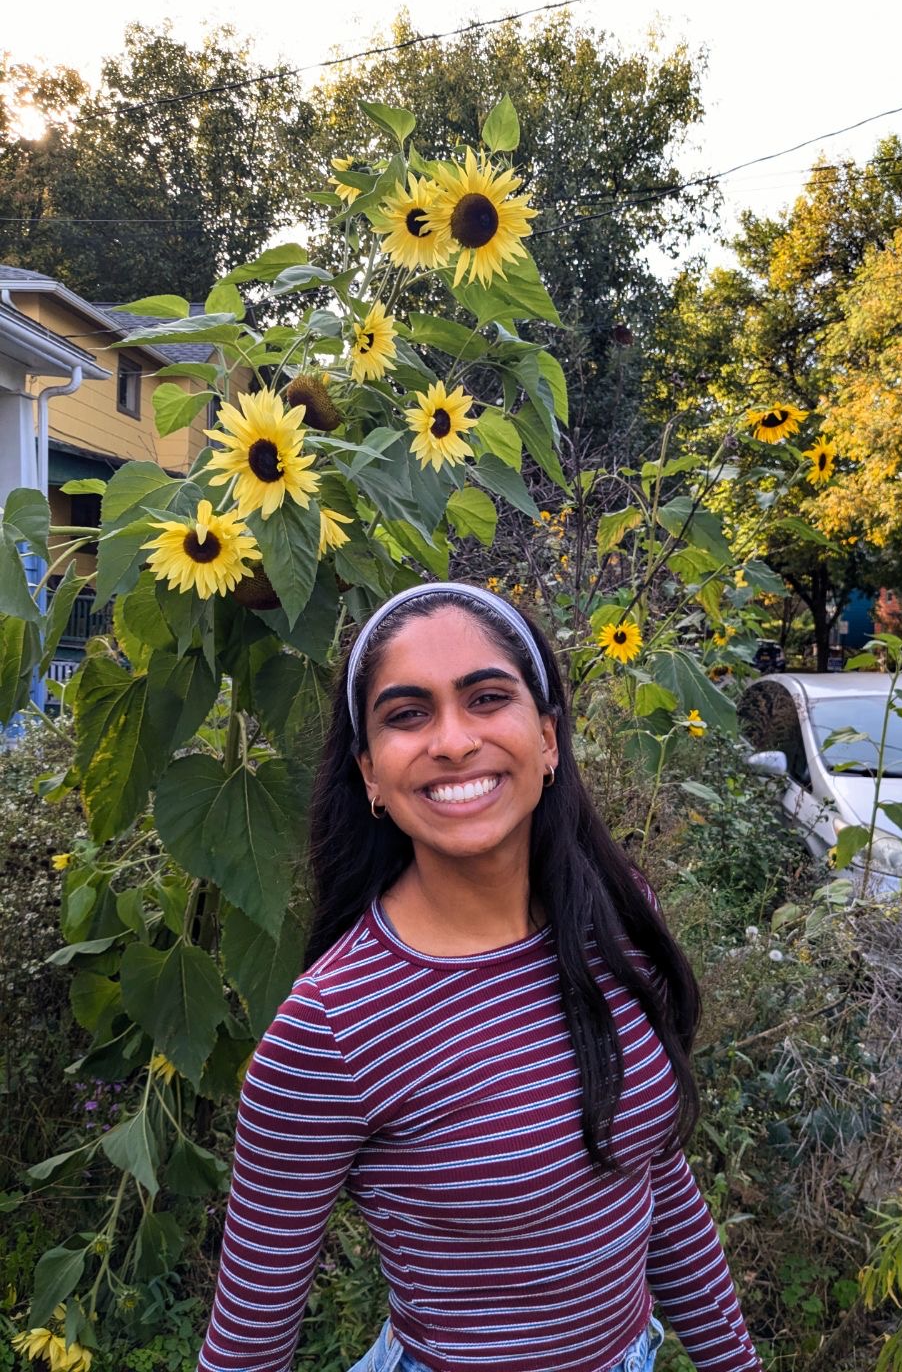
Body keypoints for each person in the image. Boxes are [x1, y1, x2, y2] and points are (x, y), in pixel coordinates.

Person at [197, 582, 762, 1372]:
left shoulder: (620, 911)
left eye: (487, 697)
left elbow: (651, 1174)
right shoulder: (329, 1028)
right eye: (407, 714)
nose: (454, 741)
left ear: (549, 737)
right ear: (369, 773)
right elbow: (248, 1343)